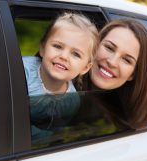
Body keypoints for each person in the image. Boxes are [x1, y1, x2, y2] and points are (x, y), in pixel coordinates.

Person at [22, 12, 99, 144]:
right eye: (57, 46)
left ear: (85, 68)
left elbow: (56, 132)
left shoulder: (72, 100)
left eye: (76, 54)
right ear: (42, 48)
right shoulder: (22, 71)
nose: (64, 56)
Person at [86, 18, 147, 129]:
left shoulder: (120, 126)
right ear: (95, 44)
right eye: (109, 48)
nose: (112, 62)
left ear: (133, 74)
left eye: (127, 60)